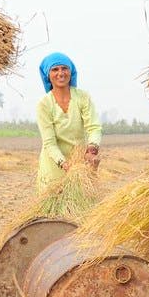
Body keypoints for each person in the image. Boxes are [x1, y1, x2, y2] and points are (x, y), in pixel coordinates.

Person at [35, 52, 102, 192]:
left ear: (71, 72)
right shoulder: (44, 104)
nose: (61, 73)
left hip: (79, 162)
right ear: (48, 75)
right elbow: (49, 143)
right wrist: (65, 165)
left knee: (82, 207)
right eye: (55, 69)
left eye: (64, 68)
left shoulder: (82, 97)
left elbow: (94, 127)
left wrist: (92, 149)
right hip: (54, 165)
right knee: (52, 209)